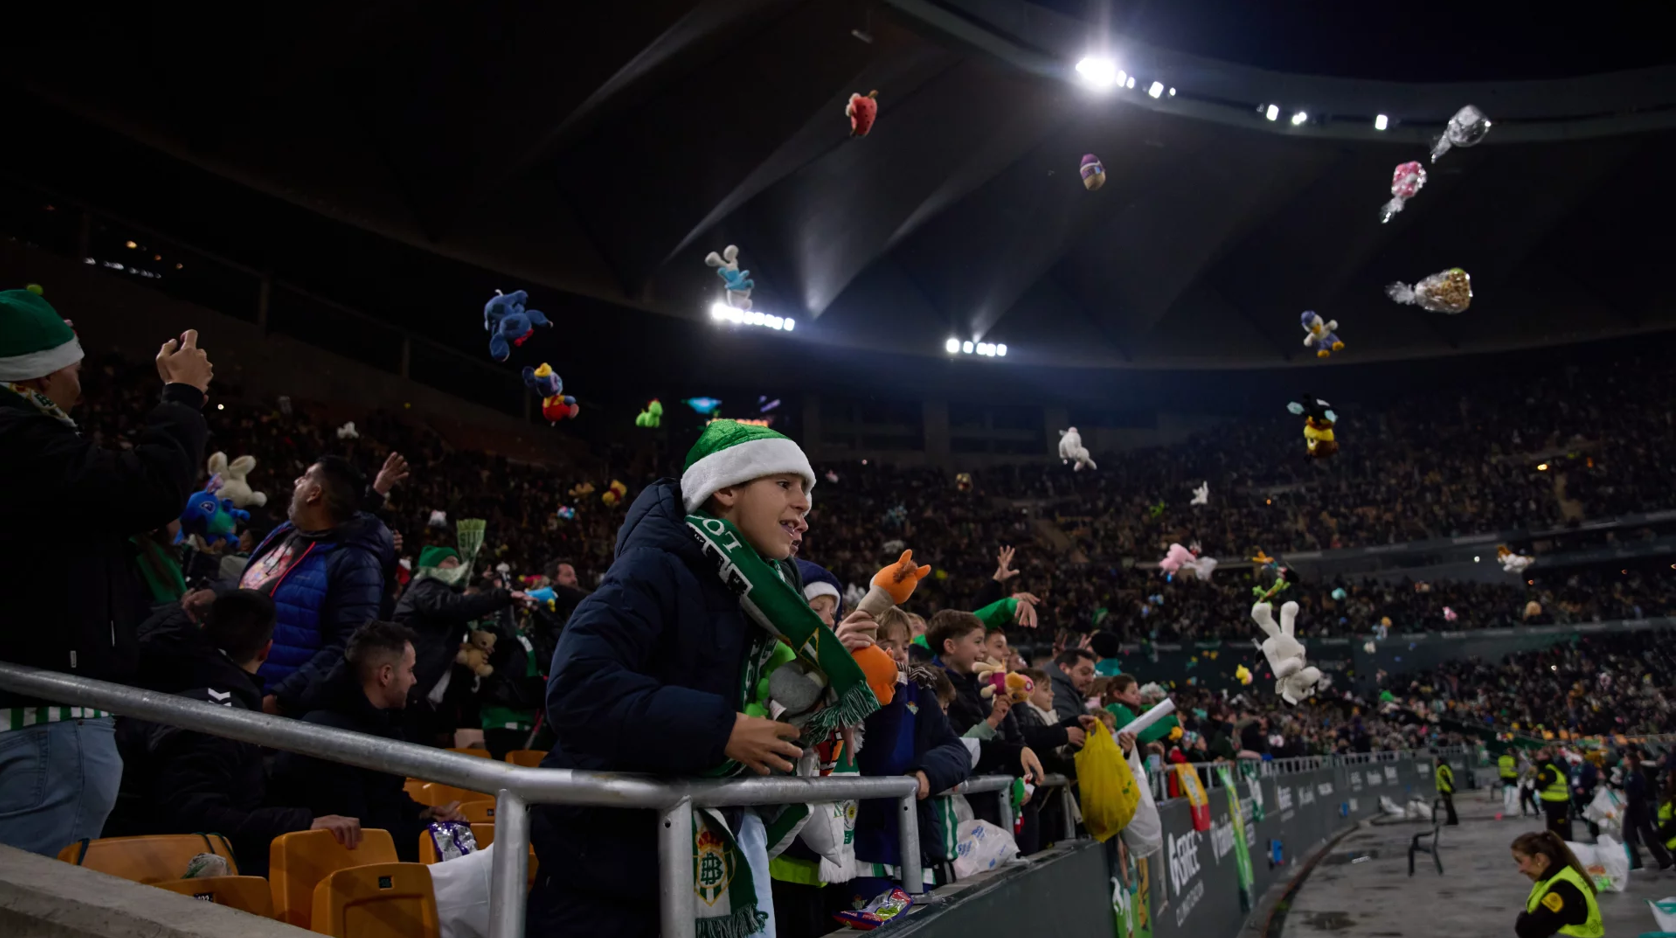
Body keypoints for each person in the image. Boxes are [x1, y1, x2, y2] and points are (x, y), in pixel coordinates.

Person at [529, 421, 867, 937]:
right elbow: (578, 687)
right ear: (725, 489)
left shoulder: (761, 590)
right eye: (785, 485)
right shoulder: (655, 567)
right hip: (608, 863)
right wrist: (720, 730)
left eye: (806, 489)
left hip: (698, 846)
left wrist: (814, 710)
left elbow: (754, 698)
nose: (805, 504)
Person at [0, 290, 212, 857]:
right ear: (40, 378)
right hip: (45, 720)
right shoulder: (20, 441)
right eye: (72, 361)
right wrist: (184, 397)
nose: (80, 373)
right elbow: (147, 490)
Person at [107, 590, 360, 875]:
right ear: (266, 649)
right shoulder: (216, 717)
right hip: (158, 870)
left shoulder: (177, 671)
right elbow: (193, 815)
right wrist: (299, 822)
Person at [269, 621, 464, 863]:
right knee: (458, 845)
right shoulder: (330, 737)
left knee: (462, 840)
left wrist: (424, 812)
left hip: (380, 851)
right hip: (345, 867)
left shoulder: (378, 722)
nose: (414, 680)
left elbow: (385, 798)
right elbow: (363, 829)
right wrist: (430, 828)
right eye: (410, 670)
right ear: (386, 675)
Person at [240, 456, 393, 716]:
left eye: (305, 476)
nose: (297, 481)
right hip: (234, 689)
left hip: (270, 712)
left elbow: (348, 645)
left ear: (314, 493)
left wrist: (282, 699)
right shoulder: (283, 534)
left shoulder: (356, 562)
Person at [393, 545, 525, 745]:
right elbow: (453, 607)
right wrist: (501, 596)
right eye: (450, 562)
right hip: (410, 689)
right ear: (431, 566)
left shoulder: (441, 592)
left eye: (458, 562)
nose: (458, 567)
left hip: (425, 696)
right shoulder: (425, 585)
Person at [1509, 830, 1602, 938]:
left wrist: (1524, 918)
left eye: (1521, 861)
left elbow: (1530, 929)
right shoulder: (1560, 876)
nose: (1520, 869)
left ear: (1539, 859)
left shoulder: (1563, 889)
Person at [1621, 748, 1673, 872]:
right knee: (1643, 835)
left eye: (1625, 758)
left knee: (1634, 835)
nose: (1623, 760)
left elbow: (1639, 791)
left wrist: (1628, 800)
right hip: (1634, 807)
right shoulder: (1629, 774)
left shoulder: (1636, 775)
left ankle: (1638, 863)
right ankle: (1664, 860)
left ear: (1630, 760)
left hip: (1636, 807)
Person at [1534, 747, 1573, 841]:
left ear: (1546, 756)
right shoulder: (1555, 768)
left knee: (1557, 829)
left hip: (1555, 802)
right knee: (1559, 827)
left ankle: (1561, 846)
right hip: (1559, 802)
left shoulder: (1549, 770)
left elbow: (1539, 784)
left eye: (1539, 755)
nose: (1537, 757)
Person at [1048, 647, 1096, 722]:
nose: (1090, 679)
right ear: (1064, 668)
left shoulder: (1067, 688)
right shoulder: (1058, 693)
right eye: (1084, 672)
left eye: (1092, 674)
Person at [1435, 753, 1459, 826]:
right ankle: (1453, 820)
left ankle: (1451, 820)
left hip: (1446, 789)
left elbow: (1446, 778)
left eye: (1437, 760)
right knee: (1449, 805)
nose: (1436, 762)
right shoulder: (1441, 768)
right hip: (1445, 789)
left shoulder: (1442, 768)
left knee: (1449, 806)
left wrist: (1451, 787)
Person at [1499, 749, 1520, 814]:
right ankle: (1514, 806)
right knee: (1514, 791)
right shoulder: (1512, 759)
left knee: (1507, 791)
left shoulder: (1500, 759)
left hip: (1504, 776)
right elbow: (1516, 768)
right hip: (1512, 776)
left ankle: (1507, 804)